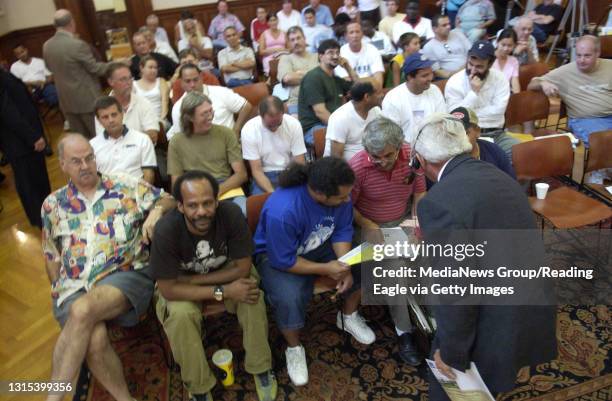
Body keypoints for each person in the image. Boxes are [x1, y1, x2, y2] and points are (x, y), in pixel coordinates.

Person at [411, 113, 556, 401]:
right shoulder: (500, 176)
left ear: (421, 160)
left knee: (451, 391)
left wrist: (451, 352)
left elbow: (456, 289)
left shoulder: (438, 203)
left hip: (487, 319)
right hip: (528, 303)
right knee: (496, 382)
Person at [41, 133, 174, 401]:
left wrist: (157, 212)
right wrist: (56, 286)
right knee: (95, 339)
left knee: (83, 309)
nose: (85, 165)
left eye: (89, 157)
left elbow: (168, 199)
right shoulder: (52, 204)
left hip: (124, 274)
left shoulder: (124, 185)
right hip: (73, 285)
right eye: (76, 161)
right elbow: (50, 253)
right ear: (63, 165)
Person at [150, 170, 277, 401]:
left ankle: (261, 367)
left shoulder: (231, 214)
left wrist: (192, 280)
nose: (201, 212)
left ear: (217, 200)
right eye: (192, 205)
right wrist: (223, 291)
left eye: (208, 203)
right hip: (185, 288)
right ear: (180, 206)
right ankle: (198, 386)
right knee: (180, 316)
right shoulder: (166, 230)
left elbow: (242, 269)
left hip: (212, 276)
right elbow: (168, 289)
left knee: (250, 294)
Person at [253, 157, 376, 386]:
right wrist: (326, 269)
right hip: (277, 257)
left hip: (319, 246)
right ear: (320, 194)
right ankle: (294, 347)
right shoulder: (284, 209)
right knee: (290, 296)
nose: (347, 200)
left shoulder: (340, 195)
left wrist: (344, 264)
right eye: (341, 197)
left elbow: (341, 230)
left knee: (367, 260)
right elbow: (283, 260)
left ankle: (347, 317)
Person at [349, 117, 426, 365]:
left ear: (399, 146)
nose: (382, 161)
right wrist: (367, 224)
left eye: (388, 155)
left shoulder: (412, 157)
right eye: (376, 156)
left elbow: (420, 194)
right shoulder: (358, 167)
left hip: (403, 220)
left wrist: (416, 226)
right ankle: (405, 331)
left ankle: (436, 316)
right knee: (395, 272)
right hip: (370, 227)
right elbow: (345, 207)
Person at [528, 35, 612, 162]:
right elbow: (532, 84)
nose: (581, 60)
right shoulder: (565, 72)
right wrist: (543, 83)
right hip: (585, 119)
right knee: (606, 146)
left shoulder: (609, 66)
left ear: (597, 53)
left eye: (587, 56)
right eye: (578, 55)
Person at [168, 92, 248, 214]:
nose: (210, 116)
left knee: (243, 210)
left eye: (211, 111)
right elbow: (176, 184)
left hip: (224, 186)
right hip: (193, 188)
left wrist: (216, 191)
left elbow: (241, 174)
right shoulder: (176, 141)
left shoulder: (226, 134)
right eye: (204, 114)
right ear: (190, 117)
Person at [445, 40, 518, 158]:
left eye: (479, 66)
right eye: (470, 64)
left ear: (490, 64)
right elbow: (456, 117)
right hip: (466, 135)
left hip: (496, 133)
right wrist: (473, 93)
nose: (473, 70)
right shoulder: (454, 82)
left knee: (519, 154)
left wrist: (471, 115)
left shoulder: (500, 79)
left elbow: (498, 112)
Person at [43, 9, 110, 138]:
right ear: (71, 22)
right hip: (87, 101)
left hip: (66, 101)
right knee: (99, 138)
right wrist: (115, 64)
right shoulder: (77, 45)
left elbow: (49, 67)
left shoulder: (47, 45)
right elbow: (96, 69)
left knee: (81, 139)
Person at [0, 69, 51, 228]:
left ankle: (46, 213)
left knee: (34, 179)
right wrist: (32, 137)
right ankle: (41, 219)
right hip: (20, 142)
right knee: (29, 181)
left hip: (21, 140)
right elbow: (8, 112)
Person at [297, 39, 359, 144]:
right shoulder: (313, 77)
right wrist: (342, 129)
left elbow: (360, 88)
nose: (335, 56)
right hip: (315, 128)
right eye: (330, 53)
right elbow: (320, 112)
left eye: (337, 53)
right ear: (321, 56)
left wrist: (348, 67)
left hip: (332, 125)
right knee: (348, 140)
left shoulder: (336, 80)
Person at [168, 63, 252, 140]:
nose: (192, 85)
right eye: (188, 81)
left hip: (228, 142)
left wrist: (236, 131)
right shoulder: (178, 108)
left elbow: (246, 106)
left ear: (201, 77)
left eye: (195, 80)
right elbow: (181, 137)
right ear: (181, 82)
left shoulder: (220, 92)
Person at [242, 96, 307, 194]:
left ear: (283, 113)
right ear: (260, 114)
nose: (275, 128)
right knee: (263, 202)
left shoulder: (293, 124)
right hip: (264, 174)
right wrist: (274, 194)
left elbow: (299, 162)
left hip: (289, 172)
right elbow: (257, 171)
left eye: (278, 123)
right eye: (270, 125)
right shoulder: (249, 130)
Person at [91, 96, 157, 183]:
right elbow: (92, 177)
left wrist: (141, 195)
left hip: (138, 191)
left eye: (114, 115)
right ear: (99, 121)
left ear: (122, 114)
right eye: (105, 117)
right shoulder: (91, 145)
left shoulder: (142, 139)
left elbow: (149, 175)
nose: (111, 120)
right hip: (106, 194)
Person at [382, 52, 446, 141]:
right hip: (405, 150)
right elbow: (392, 137)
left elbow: (442, 122)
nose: (430, 78)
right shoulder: (392, 98)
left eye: (431, 73)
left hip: (435, 146)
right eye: (424, 75)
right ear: (409, 77)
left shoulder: (434, 90)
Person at [95, 62, 159, 144]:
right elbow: (102, 140)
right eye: (123, 79)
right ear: (111, 82)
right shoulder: (102, 108)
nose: (129, 83)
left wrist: (128, 146)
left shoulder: (144, 103)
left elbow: (153, 136)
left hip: (141, 153)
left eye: (130, 78)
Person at [450, 106, 515, 178]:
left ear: (477, 131)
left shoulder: (494, 151)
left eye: (465, 133)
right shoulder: (444, 158)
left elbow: (510, 182)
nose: (459, 138)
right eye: (453, 134)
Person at [324, 82, 383, 160]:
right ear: (367, 97)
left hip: (370, 163)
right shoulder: (340, 118)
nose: (382, 95)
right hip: (347, 168)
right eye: (378, 93)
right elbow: (336, 158)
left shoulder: (376, 111)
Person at [277, 26, 319, 115]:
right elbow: (288, 79)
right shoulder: (285, 59)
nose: (296, 42)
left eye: (298, 38)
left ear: (304, 39)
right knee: (297, 127)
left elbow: (325, 76)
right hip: (297, 103)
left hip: (321, 100)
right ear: (288, 43)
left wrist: (298, 73)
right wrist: (315, 75)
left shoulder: (317, 56)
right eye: (292, 40)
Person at [335, 22, 385, 89]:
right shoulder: (340, 53)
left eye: (357, 32)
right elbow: (347, 83)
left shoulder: (372, 49)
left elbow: (379, 82)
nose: (355, 35)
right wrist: (370, 80)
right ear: (345, 36)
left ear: (362, 34)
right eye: (351, 32)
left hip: (372, 91)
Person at [422, 14, 472, 79]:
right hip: (453, 77)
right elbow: (437, 71)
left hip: (472, 67)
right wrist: (460, 72)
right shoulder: (428, 47)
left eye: (449, 24)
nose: (448, 27)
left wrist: (469, 65)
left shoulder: (458, 33)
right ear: (435, 29)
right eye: (444, 25)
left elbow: (472, 51)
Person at [134, 55, 170, 127]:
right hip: (142, 120)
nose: (154, 70)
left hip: (160, 119)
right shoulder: (133, 84)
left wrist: (161, 120)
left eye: (155, 68)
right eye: (150, 67)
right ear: (141, 68)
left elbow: (165, 101)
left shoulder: (161, 81)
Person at [492, 29, 520, 94]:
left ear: (514, 46)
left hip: (504, 94)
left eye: (510, 45)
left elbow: (515, 84)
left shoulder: (514, 61)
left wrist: (517, 98)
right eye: (503, 45)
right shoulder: (488, 57)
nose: (506, 49)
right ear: (497, 42)